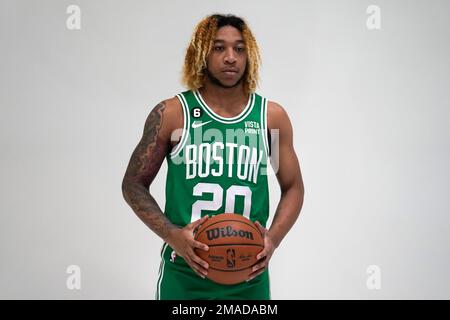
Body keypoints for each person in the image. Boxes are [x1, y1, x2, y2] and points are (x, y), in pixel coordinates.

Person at [122, 14, 304, 300]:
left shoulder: (270, 118)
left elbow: (292, 186)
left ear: (249, 55)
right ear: (201, 54)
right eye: (219, 48)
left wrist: (273, 238)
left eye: (239, 48)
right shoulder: (173, 115)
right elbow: (134, 184)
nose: (230, 57)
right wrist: (172, 236)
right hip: (184, 277)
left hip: (249, 279)